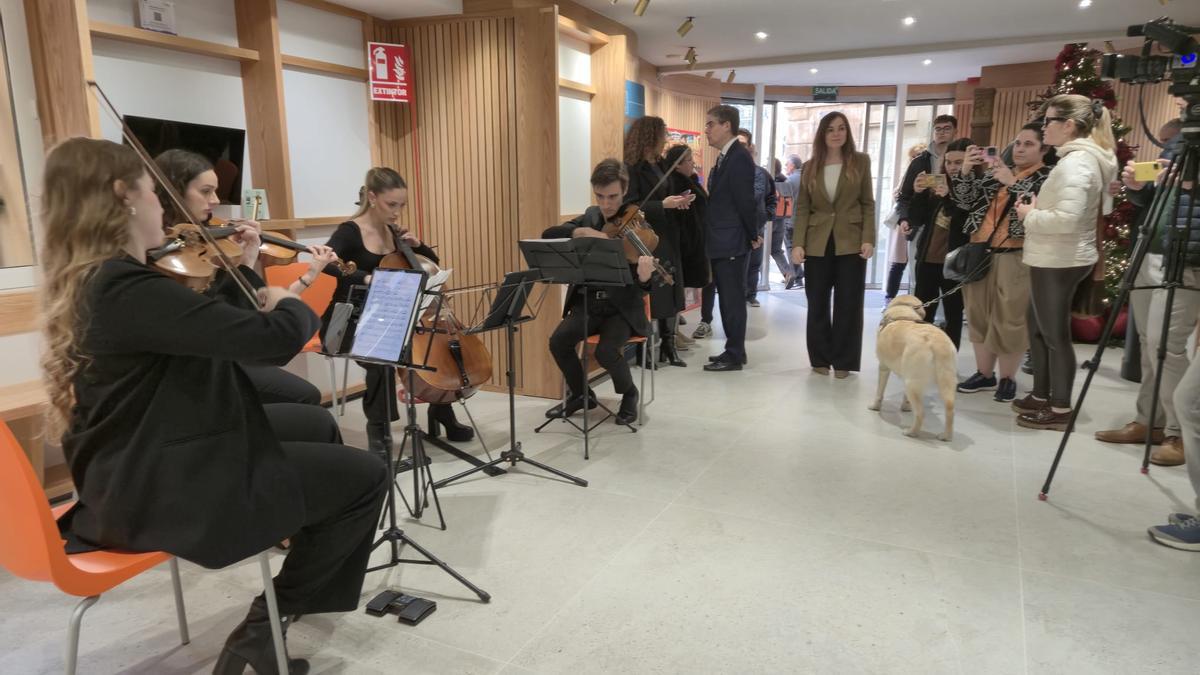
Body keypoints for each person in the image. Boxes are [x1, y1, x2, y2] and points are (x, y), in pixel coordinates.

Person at [41, 137, 388, 674]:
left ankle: (274, 614)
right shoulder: (125, 289)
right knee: (364, 477)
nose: (164, 205)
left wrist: (251, 277)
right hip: (160, 489)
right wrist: (293, 302)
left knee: (313, 430)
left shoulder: (101, 280)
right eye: (154, 192)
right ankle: (263, 625)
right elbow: (270, 341)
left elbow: (212, 329)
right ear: (123, 197)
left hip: (136, 464)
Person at [320, 167, 475, 458]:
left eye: (401, 206)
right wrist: (366, 278)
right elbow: (327, 262)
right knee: (380, 357)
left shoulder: (394, 233)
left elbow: (430, 265)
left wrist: (418, 245)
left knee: (429, 345)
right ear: (372, 197)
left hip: (387, 315)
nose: (397, 212)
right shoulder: (349, 231)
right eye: (392, 205)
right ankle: (377, 429)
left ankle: (442, 411)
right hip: (347, 319)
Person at [155, 148, 328, 407]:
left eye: (215, 190)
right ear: (175, 192)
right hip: (196, 365)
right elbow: (228, 314)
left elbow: (242, 313)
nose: (215, 200)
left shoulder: (202, 240)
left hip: (220, 352)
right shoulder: (166, 254)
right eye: (205, 191)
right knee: (304, 398)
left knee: (306, 395)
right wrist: (246, 263)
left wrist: (247, 257)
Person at [1014, 94, 1118, 430]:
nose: (1044, 127)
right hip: (1056, 256)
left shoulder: (1078, 163)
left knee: (1054, 335)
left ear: (1069, 125)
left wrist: (1029, 215)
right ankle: (1042, 395)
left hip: (1060, 258)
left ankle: (1059, 410)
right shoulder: (1077, 160)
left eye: (1049, 121)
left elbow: (1067, 219)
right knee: (1037, 326)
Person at [1098, 139, 1197, 465]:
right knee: (1147, 343)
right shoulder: (1180, 141)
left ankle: (1180, 432)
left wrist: (1190, 184)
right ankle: (1149, 421)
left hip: (1187, 258)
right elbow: (1155, 197)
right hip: (1149, 250)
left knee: (1165, 344)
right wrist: (1137, 187)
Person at [542, 159, 655, 425]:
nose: (606, 204)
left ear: (625, 190)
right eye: (600, 196)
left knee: (605, 351)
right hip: (588, 304)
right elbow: (549, 234)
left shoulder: (638, 226)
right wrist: (581, 231)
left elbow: (643, 287)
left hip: (621, 309)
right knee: (558, 341)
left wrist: (644, 276)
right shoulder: (591, 216)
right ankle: (582, 395)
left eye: (613, 196)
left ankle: (630, 394)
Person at [950, 124, 1053, 403]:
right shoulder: (997, 174)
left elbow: (1040, 210)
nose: (1019, 149)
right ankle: (985, 373)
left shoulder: (1048, 177)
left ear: (1044, 149)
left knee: (1010, 318)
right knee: (978, 315)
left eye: (1028, 144)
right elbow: (963, 202)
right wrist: (966, 171)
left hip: (1016, 255)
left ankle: (1007, 377)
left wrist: (1013, 182)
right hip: (979, 251)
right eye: (1017, 142)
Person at [791, 111, 876, 378]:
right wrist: (797, 243)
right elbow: (802, 208)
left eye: (841, 128)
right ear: (822, 134)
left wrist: (868, 238)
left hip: (850, 242)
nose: (836, 133)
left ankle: (843, 361)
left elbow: (867, 204)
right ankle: (819, 357)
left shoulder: (860, 162)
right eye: (830, 129)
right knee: (816, 302)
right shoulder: (810, 166)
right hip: (817, 242)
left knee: (848, 304)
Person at [623, 116, 696, 367]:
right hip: (648, 236)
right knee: (653, 291)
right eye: (663, 133)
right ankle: (646, 350)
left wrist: (679, 199)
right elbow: (630, 205)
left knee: (671, 289)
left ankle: (668, 344)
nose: (666, 138)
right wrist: (661, 205)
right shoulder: (631, 167)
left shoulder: (661, 164)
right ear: (650, 135)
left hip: (668, 231)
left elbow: (670, 190)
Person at [701, 105, 758, 372]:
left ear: (727, 126)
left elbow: (745, 201)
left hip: (732, 240)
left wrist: (752, 234)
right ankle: (735, 349)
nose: (707, 130)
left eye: (711, 124)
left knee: (732, 299)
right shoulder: (727, 156)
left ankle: (734, 354)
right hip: (723, 239)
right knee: (727, 297)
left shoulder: (739, 157)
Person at [905, 138, 972, 350]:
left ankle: (948, 358)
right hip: (928, 258)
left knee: (953, 313)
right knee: (923, 310)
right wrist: (917, 193)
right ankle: (920, 353)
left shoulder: (974, 189)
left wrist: (949, 198)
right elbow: (917, 219)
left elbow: (967, 223)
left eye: (959, 162)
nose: (953, 167)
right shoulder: (937, 183)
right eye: (950, 162)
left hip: (955, 263)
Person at [895, 117, 958, 300]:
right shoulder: (920, 161)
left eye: (947, 128)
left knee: (950, 283)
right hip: (922, 226)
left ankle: (945, 322)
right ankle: (923, 320)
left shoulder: (962, 160)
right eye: (938, 129)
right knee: (920, 280)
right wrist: (904, 218)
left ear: (955, 131)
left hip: (953, 228)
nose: (942, 132)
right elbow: (904, 196)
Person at [662, 144, 711, 342]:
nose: (693, 163)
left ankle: (675, 332)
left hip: (693, 240)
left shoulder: (690, 180)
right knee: (675, 289)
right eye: (689, 160)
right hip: (682, 243)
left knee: (681, 289)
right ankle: (672, 334)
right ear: (677, 165)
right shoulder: (674, 184)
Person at [884, 142, 928, 302]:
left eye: (920, 156)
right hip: (905, 223)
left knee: (917, 266)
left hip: (921, 223)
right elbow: (899, 195)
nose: (917, 159)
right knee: (898, 264)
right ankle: (889, 298)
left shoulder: (931, 177)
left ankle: (915, 300)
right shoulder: (908, 175)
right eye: (914, 156)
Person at [739, 129, 778, 308]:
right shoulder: (723, 171)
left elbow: (771, 197)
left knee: (754, 264)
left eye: (744, 145)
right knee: (737, 266)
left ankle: (751, 294)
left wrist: (767, 214)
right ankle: (737, 297)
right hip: (736, 230)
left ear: (750, 147)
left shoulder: (762, 174)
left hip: (757, 227)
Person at [771, 157, 797, 289]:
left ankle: (752, 283)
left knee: (758, 250)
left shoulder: (767, 179)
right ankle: (788, 273)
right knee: (776, 250)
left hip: (769, 220)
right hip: (781, 219)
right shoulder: (785, 180)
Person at [782, 154, 804, 289]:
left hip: (791, 220)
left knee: (790, 248)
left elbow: (784, 202)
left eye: (787, 164)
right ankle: (799, 276)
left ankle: (796, 276)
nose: (785, 167)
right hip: (804, 221)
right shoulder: (809, 179)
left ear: (793, 165)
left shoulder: (789, 181)